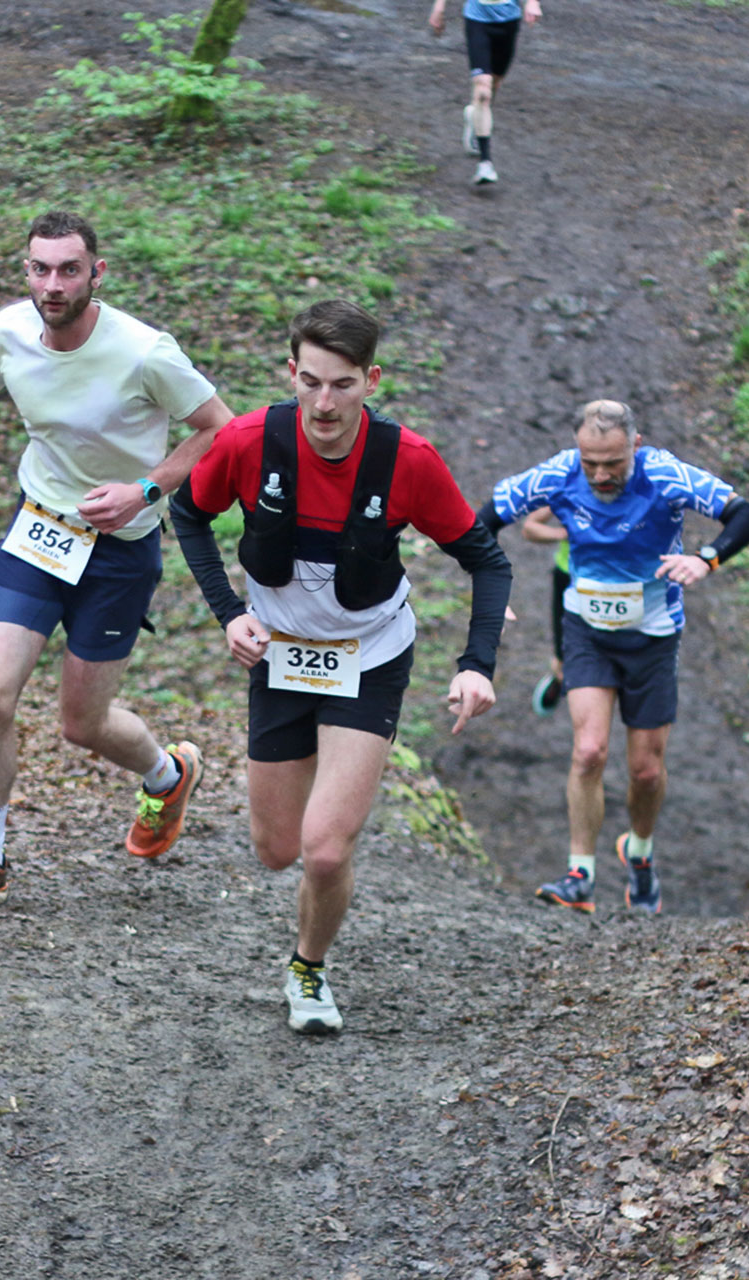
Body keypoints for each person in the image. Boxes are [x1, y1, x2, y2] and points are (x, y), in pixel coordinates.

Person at [169, 300, 511, 1033]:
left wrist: (476, 663)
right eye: (311, 382)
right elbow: (189, 514)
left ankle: (309, 969)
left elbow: (487, 560)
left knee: (324, 852)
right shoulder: (249, 440)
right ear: (291, 372)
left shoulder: (407, 460)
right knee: (276, 851)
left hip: (369, 656)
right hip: (281, 655)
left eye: (343, 385)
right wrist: (229, 613)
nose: (324, 403)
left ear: (371, 381)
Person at [0, 210, 234, 910]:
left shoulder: (145, 352)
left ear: (96, 272)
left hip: (120, 552)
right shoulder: (4, 335)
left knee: (83, 724)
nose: (52, 285)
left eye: (68, 270)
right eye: (40, 269)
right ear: (26, 269)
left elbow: (220, 429)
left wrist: (146, 488)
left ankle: (167, 775)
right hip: (38, 533)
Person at [480, 400, 749, 915]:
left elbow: (747, 515)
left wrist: (707, 559)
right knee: (589, 751)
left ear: (635, 444)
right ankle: (580, 874)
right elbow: (484, 520)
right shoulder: (559, 474)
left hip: (653, 637)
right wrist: (490, 588)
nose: (600, 475)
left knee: (646, 771)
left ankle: (639, 851)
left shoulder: (665, 475)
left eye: (612, 462)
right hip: (586, 632)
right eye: (590, 462)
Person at [428, 0, 542, 186]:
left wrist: (532, 2)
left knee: (494, 84)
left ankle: (474, 117)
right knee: (483, 88)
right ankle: (485, 163)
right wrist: (439, 7)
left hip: (508, 20)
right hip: (477, 19)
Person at [519, 506, 568, 715]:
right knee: (563, 654)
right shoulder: (569, 488)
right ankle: (560, 675)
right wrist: (565, 534)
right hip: (569, 575)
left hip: (620, 583)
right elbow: (530, 528)